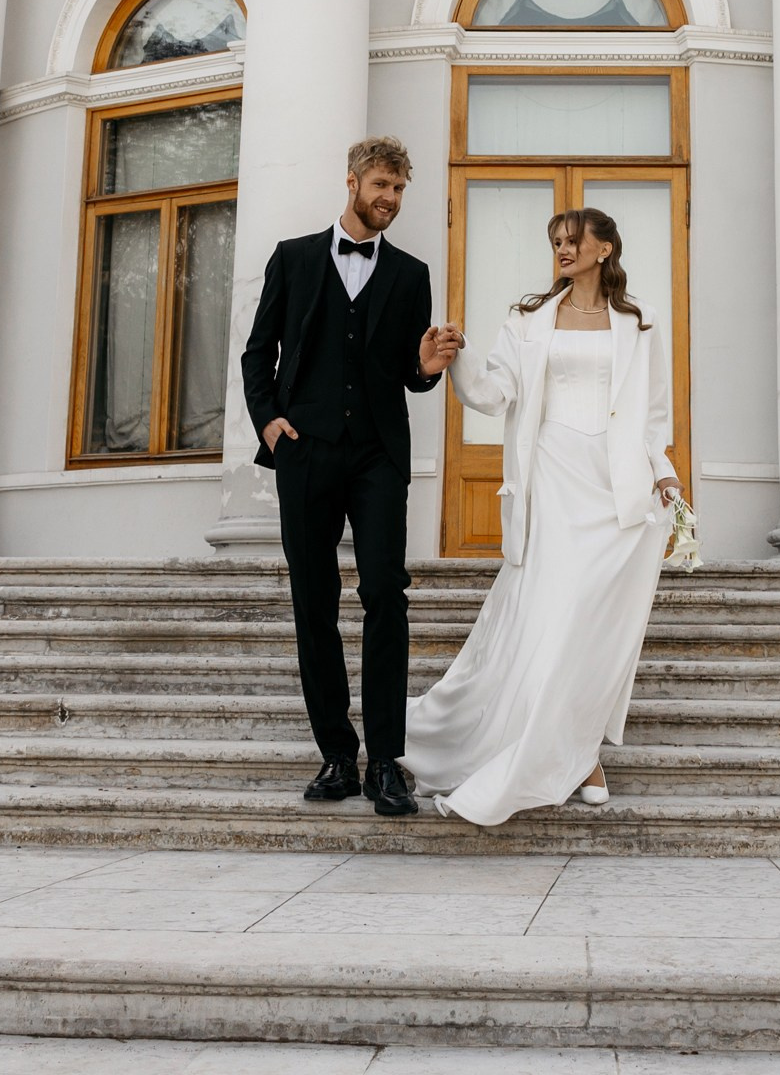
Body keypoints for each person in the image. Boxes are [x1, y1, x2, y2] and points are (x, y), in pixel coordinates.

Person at [407, 206, 680, 823]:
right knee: (556, 613)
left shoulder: (639, 322)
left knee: (592, 624)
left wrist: (662, 473)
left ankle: (577, 745)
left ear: (604, 249)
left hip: (614, 489)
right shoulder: (528, 319)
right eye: (555, 241)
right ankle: (572, 753)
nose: (561, 250)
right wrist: (460, 356)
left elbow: (652, 412)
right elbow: (492, 392)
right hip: (552, 475)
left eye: (572, 241)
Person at [241, 135, 460, 819]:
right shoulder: (295, 258)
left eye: (399, 190)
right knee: (314, 600)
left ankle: (386, 763)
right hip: (305, 451)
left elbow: (407, 375)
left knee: (385, 596)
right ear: (353, 183)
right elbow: (258, 353)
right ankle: (337, 754)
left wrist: (425, 366)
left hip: (375, 456)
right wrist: (271, 423)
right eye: (381, 187)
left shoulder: (410, 274)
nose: (390, 199)